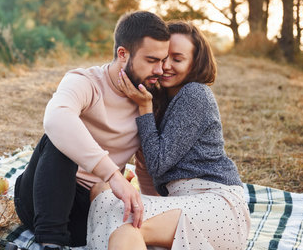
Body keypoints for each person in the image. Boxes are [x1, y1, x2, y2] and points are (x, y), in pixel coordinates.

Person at [87, 21, 251, 249]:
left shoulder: (195, 94)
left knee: (129, 226)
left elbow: (158, 163)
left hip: (216, 205)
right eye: (163, 57)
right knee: (102, 195)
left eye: (177, 58)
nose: (166, 66)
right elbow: (145, 167)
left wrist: (144, 108)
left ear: (195, 63)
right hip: (180, 202)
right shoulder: (160, 100)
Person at [13, 11, 170, 249]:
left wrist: (149, 209)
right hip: (41, 200)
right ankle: (51, 243)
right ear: (123, 54)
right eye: (151, 60)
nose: (159, 70)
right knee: (57, 139)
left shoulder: (148, 101)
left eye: (162, 60)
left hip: (90, 208)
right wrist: (113, 174)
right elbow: (56, 118)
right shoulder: (85, 81)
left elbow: (144, 167)